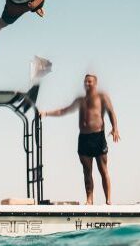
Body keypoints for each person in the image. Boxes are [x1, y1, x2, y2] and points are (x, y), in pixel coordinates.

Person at [40, 74, 120, 205]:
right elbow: (64, 111)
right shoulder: (80, 100)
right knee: (87, 171)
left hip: (98, 137)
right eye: (85, 82)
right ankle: (89, 199)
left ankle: (108, 200)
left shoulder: (102, 97)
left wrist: (115, 128)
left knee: (103, 169)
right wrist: (46, 113)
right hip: (84, 138)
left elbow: (111, 112)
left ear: (95, 83)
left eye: (90, 82)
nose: (87, 84)